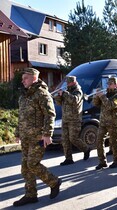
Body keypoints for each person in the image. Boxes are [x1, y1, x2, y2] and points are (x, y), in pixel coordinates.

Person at [13, 68, 61, 206]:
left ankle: (54, 182)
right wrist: (18, 133)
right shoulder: (24, 95)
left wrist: (47, 134)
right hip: (26, 137)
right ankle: (30, 195)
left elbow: (50, 115)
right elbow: (21, 117)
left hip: (38, 137)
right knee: (25, 167)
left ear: (34, 78)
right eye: (22, 79)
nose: (22, 81)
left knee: (32, 164)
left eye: (25, 78)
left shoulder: (42, 94)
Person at [55, 76, 90, 166]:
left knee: (73, 138)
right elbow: (59, 103)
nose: (67, 84)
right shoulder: (67, 91)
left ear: (73, 83)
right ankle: (68, 158)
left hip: (74, 119)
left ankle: (86, 149)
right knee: (65, 139)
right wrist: (58, 96)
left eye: (68, 83)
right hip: (65, 118)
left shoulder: (78, 91)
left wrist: (64, 94)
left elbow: (75, 100)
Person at [93, 77, 117, 170]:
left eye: (111, 84)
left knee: (113, 142)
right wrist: (96, 97)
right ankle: (102, 162)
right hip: (103, 121)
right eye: (108, 84)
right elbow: (96, 104)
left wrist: (102, 96)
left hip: (113, 122)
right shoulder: (106, 94)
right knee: (99, 141)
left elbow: (110, 106)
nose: (109, 86)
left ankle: (116, 160)